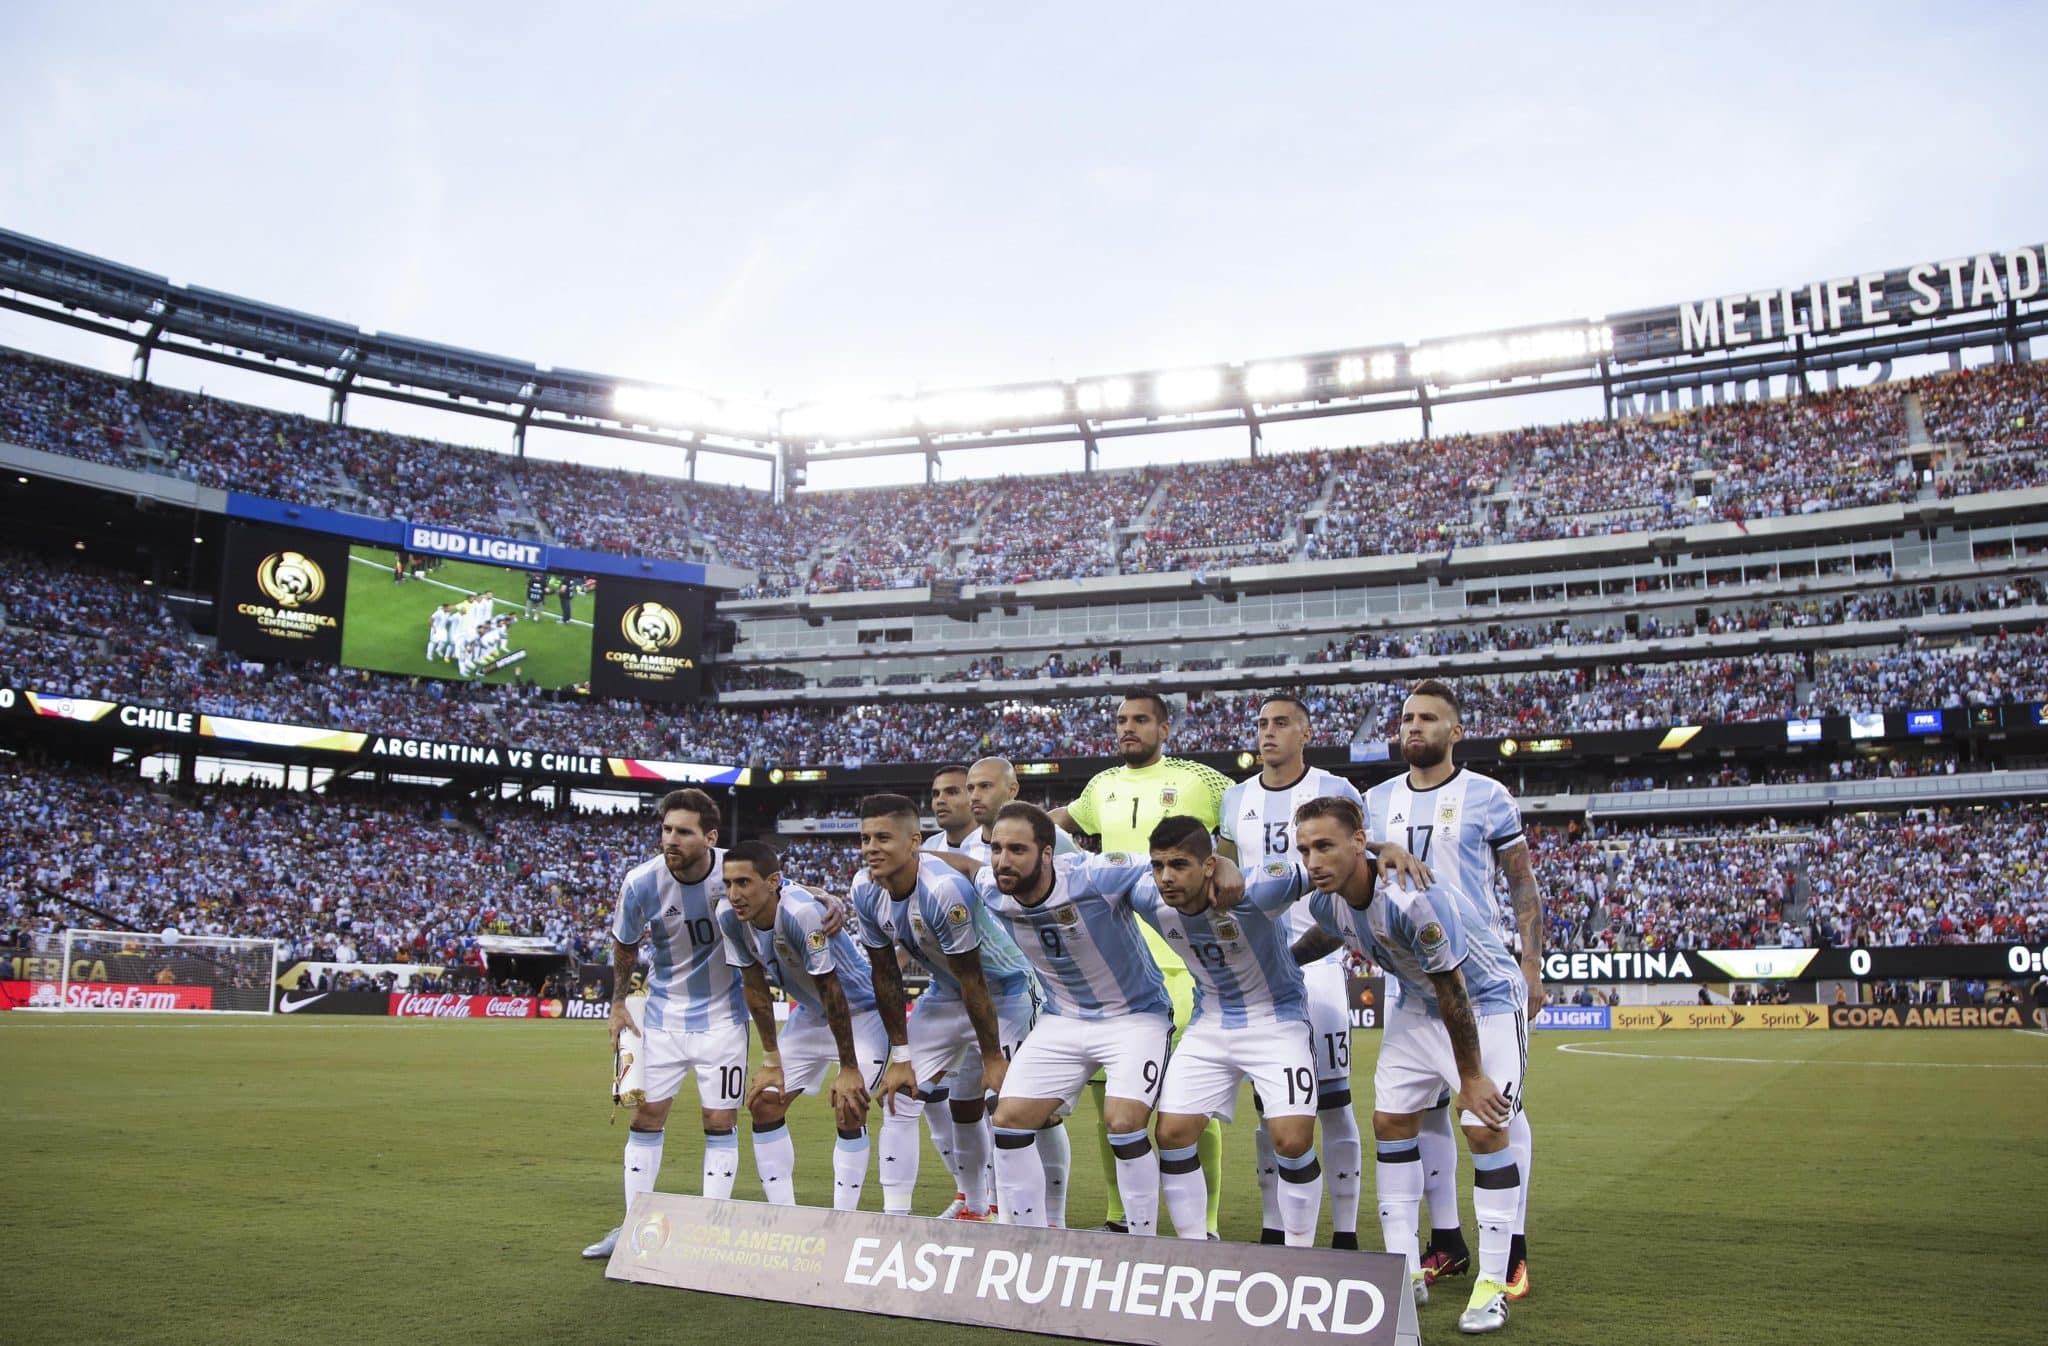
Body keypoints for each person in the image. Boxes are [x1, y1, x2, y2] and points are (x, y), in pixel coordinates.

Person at [1292, 790, 1525, 1337]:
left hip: (1483, 1001)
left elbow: (1455, 986)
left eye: (1325, 846)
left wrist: (1469, 1077)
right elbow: (1333, 931)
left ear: (1357, 843)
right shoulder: (1328, 897)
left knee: (1485, 1126)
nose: (1312, 862)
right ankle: (1401, 1274)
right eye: (1305, 850)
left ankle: (1492, 1285)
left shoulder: (1412, 898)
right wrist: (1281, 960)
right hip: (1417, 1005)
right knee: (1391, 1123)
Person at [1379, 680, 1543, 1307]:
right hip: (1417, 993)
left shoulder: (1488, 796)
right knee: (1415, 1115)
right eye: (1406, 718)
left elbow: (1522, 885)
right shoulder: (1375, 802)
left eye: (1427, 719)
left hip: (1482, 983)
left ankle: (1513, 1255)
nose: (1413, 727)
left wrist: (1531, 965)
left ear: (1455, 731)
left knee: (1494, 1116)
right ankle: (1445, 1241)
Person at [1049, 690, 1232, 1235]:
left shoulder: (1203, 780)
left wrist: (1229, 872)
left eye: (1140, 720)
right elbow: (1062, 821)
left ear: (1164, 728)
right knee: (1114, 1102)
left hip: (1183, 963)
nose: (1128, 729)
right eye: (1122, 721)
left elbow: (1249, 814)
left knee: (1187, 1097)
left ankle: (1208, 1222)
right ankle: (1119, 1215)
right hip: (1116, 964)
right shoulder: (1100, 787)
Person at [1217, 693, 1368, 1248]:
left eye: (1281, 723)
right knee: (1270, 1110)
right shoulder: (1235, 799)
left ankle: (1346, 1236)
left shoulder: (1336, 791)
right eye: (1260, 724)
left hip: (1320, 960)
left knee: (1332, 1101)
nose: (1267, 733)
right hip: (1259, 970)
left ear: (1306, 732)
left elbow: (1360, 865)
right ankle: (1275, 1228)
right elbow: (1227, 876)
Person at [1131, 815, 1324, 1245]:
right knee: (1171, 1133)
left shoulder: (1260, 889)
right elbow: (1077, 868)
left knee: (1291, 1142)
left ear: (1208, 865)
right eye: (1158, 865)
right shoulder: (1146, 893)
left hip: (1277, 1020)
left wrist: (1387, 851)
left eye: (1179, 864)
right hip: (1211, 1023)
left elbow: (1341, 864)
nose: (1166, 877)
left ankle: (1298, 1256)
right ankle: (1194, 1249)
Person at [978, 802, 1169, 1235]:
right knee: (1007, 1120)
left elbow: (1164, 862)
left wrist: (1222, 869)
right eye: (996, 849)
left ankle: (1144, 1244)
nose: (1003, 861)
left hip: (1134, 1016)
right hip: (1062, 1019)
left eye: (1017, 850)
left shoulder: (1094, 875)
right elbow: (963, 865)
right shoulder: (991, 886)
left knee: (1123, 1124)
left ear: (1047, 854)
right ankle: (1028, 1240)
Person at [850, 793, 1039, 1220]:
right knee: (898, 1096)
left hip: (1005, 991)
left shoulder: (942, 889)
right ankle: (906, 1216)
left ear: (914, 841)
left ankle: (1024, 1223)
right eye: (865, 839)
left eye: (883, 837)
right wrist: (900, 1056)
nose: (871, 848)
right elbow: (885, 974)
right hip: (946, 990)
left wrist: (991, 1056)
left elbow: (976, 979)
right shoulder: (864, 887)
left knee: (1013, 1108)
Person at [583, 788, 748, 1261]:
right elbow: (625, 944)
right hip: (656, 1017)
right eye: (666, 829)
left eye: (683, 831)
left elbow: (780, 889)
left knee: (719, 1121)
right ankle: (634, 1226)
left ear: (710, 837)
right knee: (644, 1116)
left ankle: (713, 1228)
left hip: (723, 1018)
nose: (671, 839)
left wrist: (823, 897)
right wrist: (618, 1005)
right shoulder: (640, 882)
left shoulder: (733, 872)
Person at [717, 840, 882, 1210]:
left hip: (861, 1012)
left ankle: (844, 1217)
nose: (734, 894)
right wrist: (772, 1059)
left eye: (744, 883)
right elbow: (754, 987)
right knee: (763, 1103)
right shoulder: (729, 916)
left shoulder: (801, 913)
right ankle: (783, 1214)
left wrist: (849, 1068)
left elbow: (833, 989)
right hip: (809, 1015)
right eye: (728, 884)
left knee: (849, 1105)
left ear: (773, 881)